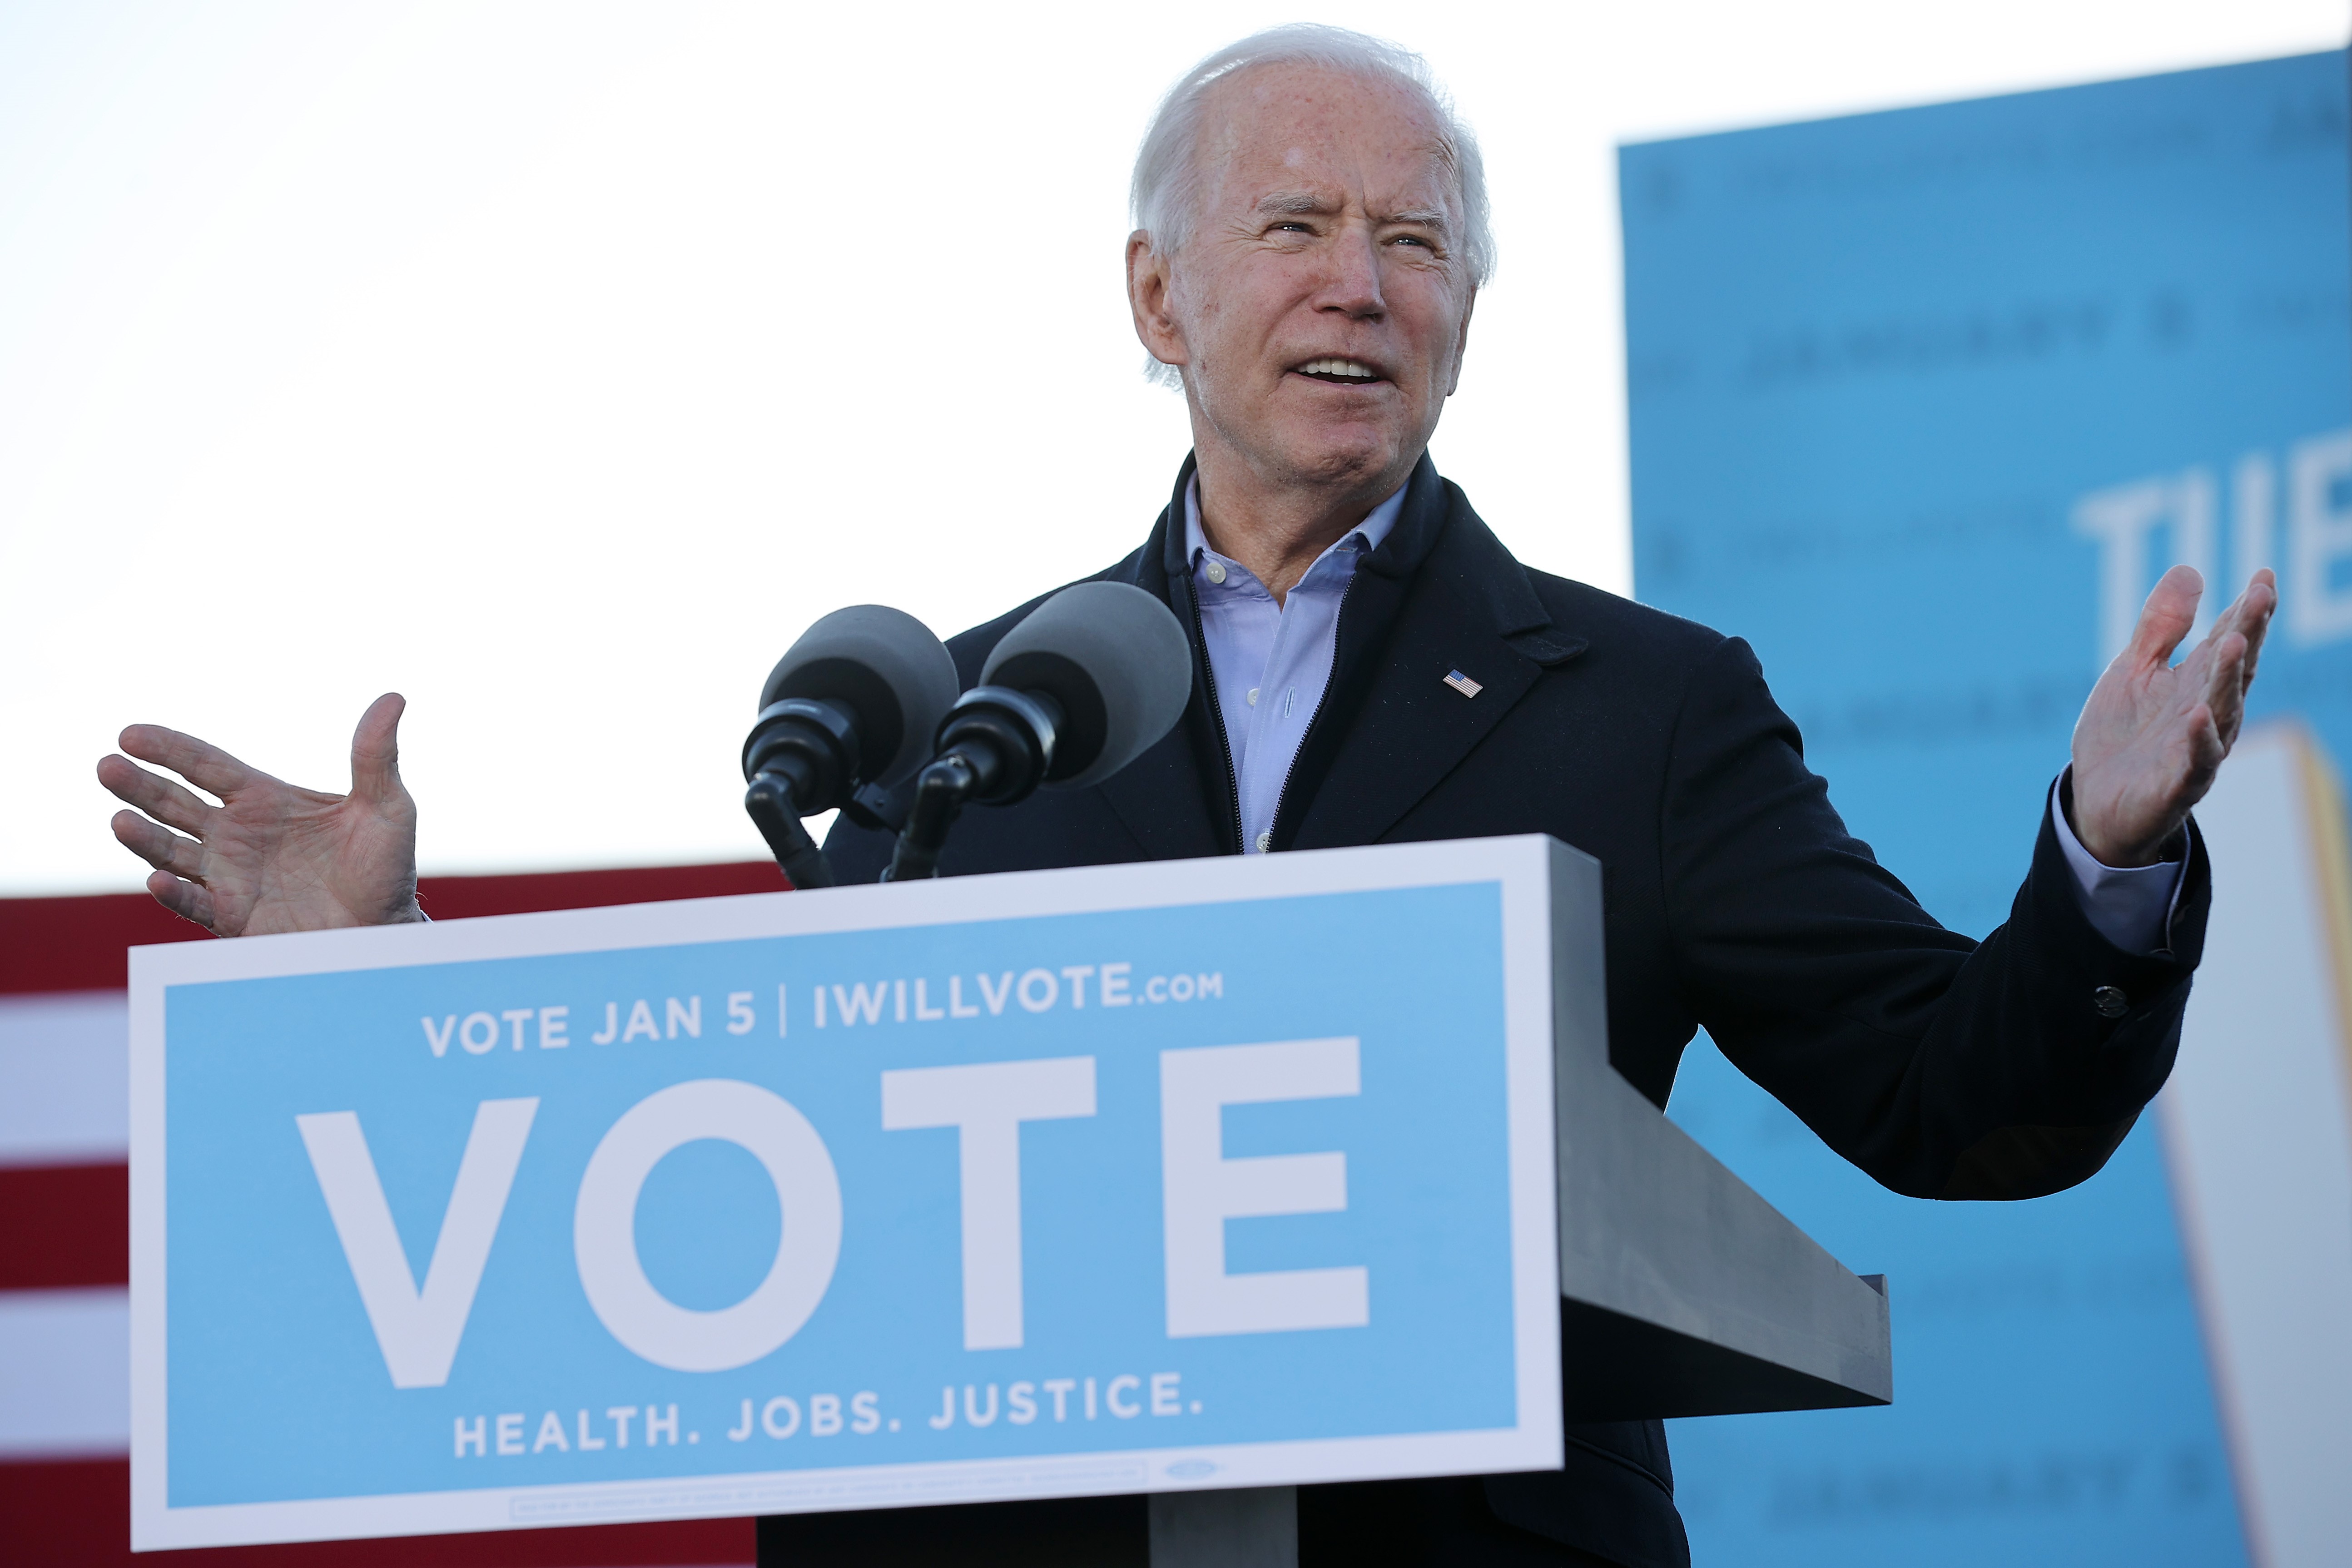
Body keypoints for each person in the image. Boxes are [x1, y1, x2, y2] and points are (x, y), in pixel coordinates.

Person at [97, 25, 2275, 1568]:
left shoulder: (1639, 703)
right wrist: (359, 997)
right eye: (1298, 223)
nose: (1362, 280)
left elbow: (1955, 1096)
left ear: (1463, 317)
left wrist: (2100, 854)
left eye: (1416, 242)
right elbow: (724, 1197)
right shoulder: (963, 719)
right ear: (1157, 293)